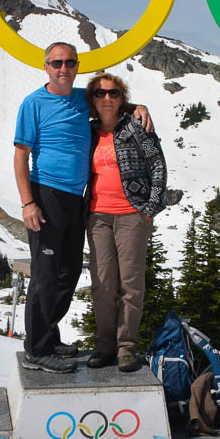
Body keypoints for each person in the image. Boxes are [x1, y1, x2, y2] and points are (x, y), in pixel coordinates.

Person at [13, 42, 152, 373]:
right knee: (46, 273)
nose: (64, 68)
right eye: (57, 63)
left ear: (77, 66)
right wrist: (28, 202)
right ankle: (36, 349)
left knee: (69, 271)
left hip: (77, 199)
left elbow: (110, 103)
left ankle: (48, 336)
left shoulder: (81, 99)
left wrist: (139, 106)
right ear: (46, 67)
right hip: (46, 194)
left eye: (70, 63)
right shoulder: (33, 103)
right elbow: (20, 155)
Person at [85, 72, 167, 372]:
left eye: (114, 93)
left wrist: (150, 207)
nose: (107, 98)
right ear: (92, 99)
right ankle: (105, 347)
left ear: (122, 98)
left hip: (132, 214)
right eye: (100, 93)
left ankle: (126, 349)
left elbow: (157, 164)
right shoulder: (89, 130)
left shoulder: (135, 126)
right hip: (97, 216)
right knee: (103, 284)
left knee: (131, 285)